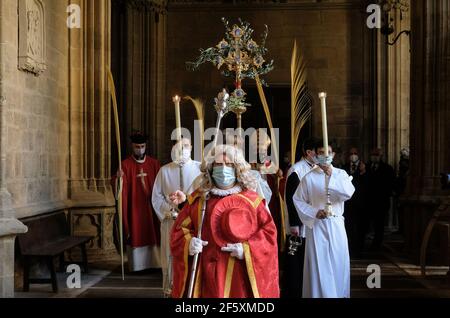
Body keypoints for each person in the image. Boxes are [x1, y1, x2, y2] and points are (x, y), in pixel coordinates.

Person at [170, 144, 279, 298]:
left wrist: (247, 250)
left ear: (237, 169)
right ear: (211, 168)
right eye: (218, 164)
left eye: (229, 164)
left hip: (238, 274)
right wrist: (189, 243)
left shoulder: (252, 201)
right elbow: (179, 230)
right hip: (205, 272)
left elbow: (269, 234)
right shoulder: (199, 199)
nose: (223, 168)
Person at [293, 141, 355, 298]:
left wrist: (331, 176)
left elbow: (347, 193)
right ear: (316, 155)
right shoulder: (308, 178)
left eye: (328, 152)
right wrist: (314, 212)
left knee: (338, 264)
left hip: (336, 225)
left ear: (332, 155)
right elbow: (298, 200)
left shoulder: (341, 174)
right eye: (321, 152)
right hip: (318, 226)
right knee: (319, 265)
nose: (324, 156)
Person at [152, 138, 202, 297]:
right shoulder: (164, 170)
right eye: (179, 145)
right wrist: (170, 210)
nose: (183, 149)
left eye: (186, 145)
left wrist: (187, 209)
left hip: (193, 224)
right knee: (170, 258)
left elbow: (204, 196)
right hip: (170, 222)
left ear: (192, 147)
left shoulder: (200, 169)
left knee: (190, 256)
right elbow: (156, 197)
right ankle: (169, 291)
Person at [113, 132, 161, 272]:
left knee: (153, 232)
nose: (140, 149)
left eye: (142, 146)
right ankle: (137, 266)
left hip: (151, 207)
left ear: (146, 146)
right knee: (136, 232)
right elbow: (118, 188)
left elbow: (161, 185)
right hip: (134, 207)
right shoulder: (125, 165)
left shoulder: (154, 164)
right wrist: (118, 179)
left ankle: (155, 263)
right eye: (137, 146)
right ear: (132, 147)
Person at [282, 138, 318, 298]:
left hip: (311, 223)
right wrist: (295, 225)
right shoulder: (297, 170)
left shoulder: (316, 168)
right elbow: (292, 199)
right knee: (294, 259)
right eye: (319, 153)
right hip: (297, 227)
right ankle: (293, 292)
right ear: (309, 153)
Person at [366, 148, 395, 250]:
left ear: (381, 156)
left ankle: (377, 244)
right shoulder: (366, 167)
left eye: (377, 155)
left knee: (379, 224)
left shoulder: (387, 168)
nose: (375, 156)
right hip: (368, 201)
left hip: (381, 201)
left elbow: (390, 185)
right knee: (366, 223)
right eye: (373, 154)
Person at [343, 147, 368, 258]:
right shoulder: (344, 168)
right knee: (349, 227)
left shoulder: (364, 168)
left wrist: (363, 173)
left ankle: (359, 249)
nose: (353, 155)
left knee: (360, 228)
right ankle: (350, 249)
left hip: (361, 203)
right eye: (351, 153)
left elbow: (367, 185)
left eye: (355, 153)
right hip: (348, 204)